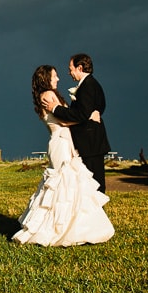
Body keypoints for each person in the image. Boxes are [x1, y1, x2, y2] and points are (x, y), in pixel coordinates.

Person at [13, 65, 114, 246]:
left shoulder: (51, 95)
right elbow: (65, 120)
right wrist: (89, 117)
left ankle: (73, 225)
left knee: (70, 183)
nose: (58, 79)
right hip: (60, 143)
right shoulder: (48, 96)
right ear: (46, 78)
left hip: (65, 141)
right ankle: (55, 228)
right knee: (62, 183)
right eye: (55, 76)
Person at [42, 53, 111, 193]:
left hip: (90, 143)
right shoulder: (91, 83)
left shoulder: (87, 86)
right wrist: (94, 112)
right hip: (92, 142)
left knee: (94, 184)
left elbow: (80, 114)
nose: (69, 73)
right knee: (92, 182)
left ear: (79, 68)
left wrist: (55, 108)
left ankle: (95, 213)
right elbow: (100, 104)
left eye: (70, 69)